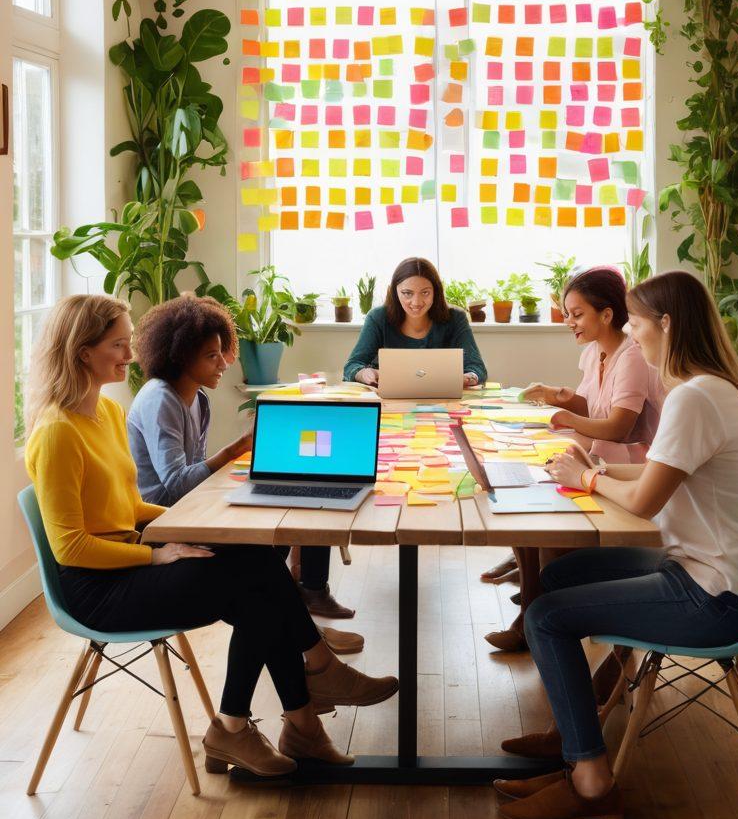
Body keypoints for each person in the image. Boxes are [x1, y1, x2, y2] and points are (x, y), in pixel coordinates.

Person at [25, 295, 398, 778]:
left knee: (255, 559)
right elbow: (71, 548)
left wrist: (199, 523)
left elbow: (129, 506)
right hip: (98, 588)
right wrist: (157, 557)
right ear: (81, 352)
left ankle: (273, 720)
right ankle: (299, 700)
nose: (130, 355)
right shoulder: (57, 432)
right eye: (118, 345)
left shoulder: (108, 414)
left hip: (133, 551)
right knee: (256, 578)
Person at [496, 271, 738, 819]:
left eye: (638, 322)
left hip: (714, 596)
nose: (634, 334)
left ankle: (592, 784)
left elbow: (644, 503)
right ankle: (574, 737)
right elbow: (654, 468)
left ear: (665, 324)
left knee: (546, 617)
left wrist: (588, 480)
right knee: (560, 576)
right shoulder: (708, 388)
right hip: (704, 570)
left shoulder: (695, 398)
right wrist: (591, 467)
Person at [128, 295, 357, 631]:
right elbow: (175, 484)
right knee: (263, 549)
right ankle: (299, 627)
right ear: (179, 356)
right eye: (211, 356)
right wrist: (240, 447)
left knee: (293, 494)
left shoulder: (197, 398)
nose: (223, 362)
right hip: (165, 521)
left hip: (190, 507)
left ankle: (296, 620)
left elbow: (195, 472)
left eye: (221, 351)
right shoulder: (160, 398)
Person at [485, 267, 664, 654]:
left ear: (606, 314)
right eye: (567, 313)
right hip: (596, 456)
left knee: (540, 510)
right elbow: (595, 406)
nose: (569, 322)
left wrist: (566, 418)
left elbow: (618, 426)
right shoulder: (594, 352)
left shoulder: (631, 356)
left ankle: (536, 609)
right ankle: (532, 600)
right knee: (521, 494)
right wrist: (559, 397)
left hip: (628, 466)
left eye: (576, 314)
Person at [343, 257, 487, 388]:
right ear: (395, 292)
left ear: (435, 292)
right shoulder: (378, 317)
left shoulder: (456, 319)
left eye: (425, 293)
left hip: (444, 401)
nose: (416, 302)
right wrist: (364, 373)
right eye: (407, 293)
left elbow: (477, 368)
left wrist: (469, 378)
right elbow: (352, 366)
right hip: (389, 401)